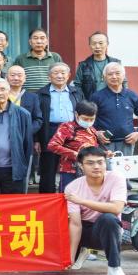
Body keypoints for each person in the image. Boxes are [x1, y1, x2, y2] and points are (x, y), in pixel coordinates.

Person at [65, 147, 131, 275]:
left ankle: (114, 268)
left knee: (109, 219)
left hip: (107, 230)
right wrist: (70, 257)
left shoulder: (116, 178)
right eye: (90, 163)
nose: (96, 166)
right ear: (81, 166)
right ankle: (81, 251)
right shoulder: (73, 187)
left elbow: (116, 208)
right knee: (63, 222)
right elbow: (75, 224)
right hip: (84, 230)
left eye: (100, 162)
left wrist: (82, 201)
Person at [36, 63, 83, 194]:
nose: (60, 76)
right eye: (56, 73)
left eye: (63, 73)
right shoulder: (41, 94)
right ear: (49, 77)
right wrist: (37, 139)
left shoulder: (76, 92)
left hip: (72, 132)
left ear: (68, 76)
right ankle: (47, 199)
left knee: (73, 167)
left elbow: (82, 113)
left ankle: (72, 198)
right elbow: (37, 117)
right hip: (49, 131)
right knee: (48, 169)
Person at [48, 101, 109, 192]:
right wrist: (75, 154)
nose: (88, 122)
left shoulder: (92, 130)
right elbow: (52, 145)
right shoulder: (67, 127)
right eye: (85, 119)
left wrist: (104, 153)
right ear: (76, 115)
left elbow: (92, 150)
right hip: (70, 170)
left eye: (92, 119)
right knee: (67, 195)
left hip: (89, 171)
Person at [93, 63, 138, 156]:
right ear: (104, 77)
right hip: (104, 144)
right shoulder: (96, 97)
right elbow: (88, 120)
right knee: (105, 166)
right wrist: (96, 133)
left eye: (117, 73)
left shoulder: (132, 95)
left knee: (124, 166)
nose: (114, 77)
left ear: (123, 76)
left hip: (127, 143)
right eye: (110, 74)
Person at [74, 31, 122, 99]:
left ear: (107, 44)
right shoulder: (83, 65)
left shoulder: (116, 63)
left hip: (112, 100)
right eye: (94, 43)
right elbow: (77, 86)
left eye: (101, 43)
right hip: (91, 102)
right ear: (90, 45)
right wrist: (83, 102)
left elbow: (123, 82)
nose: (97, 46)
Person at [6, 65, 43, 138]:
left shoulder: (33, 97)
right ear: (6, 78)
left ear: (25, 78)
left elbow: (38, 120)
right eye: (12, 75)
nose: (16, 78)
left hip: (25, 137)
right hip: (5, 136)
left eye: (19, 75)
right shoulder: (0, 96)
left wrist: (26, 132)